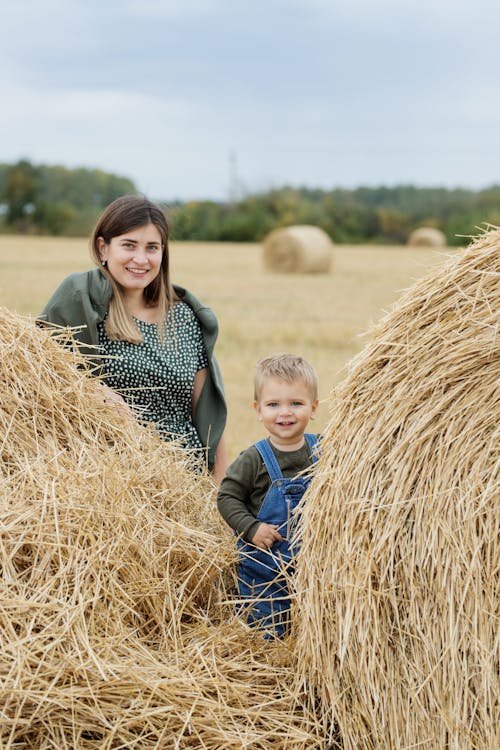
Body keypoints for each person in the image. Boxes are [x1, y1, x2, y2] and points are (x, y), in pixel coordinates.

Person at [39, 194, 227, 482]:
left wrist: (219, 500)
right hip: (108, 479)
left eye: (152, 248)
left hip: (182, 481)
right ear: (103, 248)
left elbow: (210, 420)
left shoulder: (185, 317)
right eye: (129, 245)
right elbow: (39, 382)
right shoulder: (81, 305)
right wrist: (94, 394)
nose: (141, 259)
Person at [217, 352, 320, 638]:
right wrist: (252, 528)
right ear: (258, 410)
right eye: (274, 404)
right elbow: (227, 497)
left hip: (312, 571)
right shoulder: (254, 459)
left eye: (296, 404)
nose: (285, 412)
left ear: (313, 408)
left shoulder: (324, 451)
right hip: (264, 574)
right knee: (266, 638)